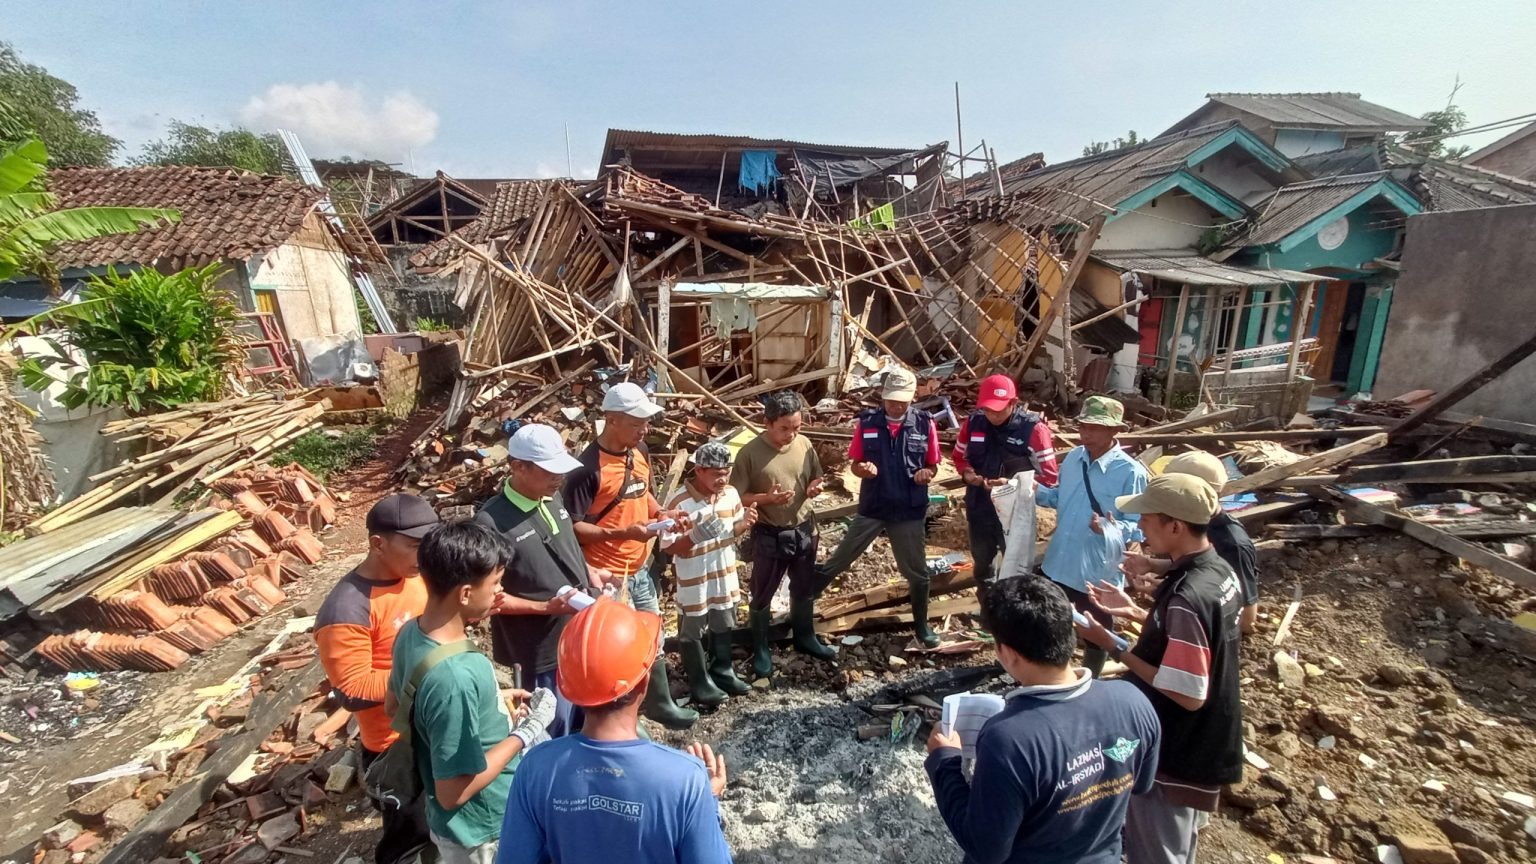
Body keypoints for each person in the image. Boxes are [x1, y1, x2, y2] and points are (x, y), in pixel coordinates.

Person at [925, 576, 1161, 863]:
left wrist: (945, 763)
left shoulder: (1009, 740)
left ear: (1008, 654)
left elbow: (986, 849)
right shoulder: (1133, 701)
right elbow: (1141, 785)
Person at [1076, 473, 1245, 864]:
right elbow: (1195, 640)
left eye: (1147, 519)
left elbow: (1185, 692)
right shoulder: (1215, 570)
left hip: (1178, 748)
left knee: (1158, 851)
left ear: (1175, 525)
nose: (1139, 527)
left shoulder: (1188, 596)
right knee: (1179, 843)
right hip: (1211, 735)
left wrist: (1113, 644)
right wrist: (1133, 610)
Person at [497, 598, 733, 864]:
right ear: (643, 683)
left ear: (566, 686)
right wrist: (708, 802)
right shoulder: (686, 780)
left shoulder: (535, 768)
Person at [385, 520, 555, 864]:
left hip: (457, 823)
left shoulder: (411, 634)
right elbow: (453, 792)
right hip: (483, 830)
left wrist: (490, 707)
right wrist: (526, 731)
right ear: (464, 593)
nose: (499, 591)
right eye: (494, 582)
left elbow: (395, 707)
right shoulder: (457, 677)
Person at [563, 381, 697, 729]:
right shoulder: (586, 470)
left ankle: (659, 703)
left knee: (652, 637)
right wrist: (625, 532)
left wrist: (662, 514)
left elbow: (641, 495)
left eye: (646, 422)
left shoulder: (639, 453)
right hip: (609, 577)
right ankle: (622, 721)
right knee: (617, 651)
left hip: (640, 568)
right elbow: (573, 527)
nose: (645, 428)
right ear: (611, 419)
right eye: (637, 422)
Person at [316, 494, 439, 864]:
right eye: (415, 545)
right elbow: (352, 690)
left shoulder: (414, 576)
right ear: (377, 543)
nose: (424, 554)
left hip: (431, 728)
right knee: (408, 838)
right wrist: (434, 674)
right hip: (395, 746)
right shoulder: (347, 608)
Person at [476, 424, 612, 738]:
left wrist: (589, 571)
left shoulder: (551, 497)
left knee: (588, 719)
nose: (558, 478)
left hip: (580, 636)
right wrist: (544, 606)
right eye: (549, 471)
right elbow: (489, 600)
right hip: (541, 653)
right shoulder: (491, 523)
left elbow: (565, 547)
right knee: (552, 728)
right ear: (517, 467)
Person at [815, 366, 944, 647]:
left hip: (908, 509)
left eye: (903, 400)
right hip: (873, 506)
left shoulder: (924, 423)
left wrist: (927, 474)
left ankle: (922, 627)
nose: (897, 406)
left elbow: (933, 464)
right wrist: (863, 469)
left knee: (916, 571)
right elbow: (855, 463)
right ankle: (802, 610)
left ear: (912, 398)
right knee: (839, 559)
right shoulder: (868, 422)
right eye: (892, 400)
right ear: (883, 397)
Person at [1037, 395, 1148, 676]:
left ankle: (1092, 680)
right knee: (1053, 622)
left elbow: (1140, 525)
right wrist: (1027, 491)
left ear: (1114, 431)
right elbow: (1059, 497)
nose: (1085, 433)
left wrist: (1110, 528)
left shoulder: (1131, 472)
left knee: (1096, 631)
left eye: (1095, 427)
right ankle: (1054, 676)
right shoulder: (1074, 458)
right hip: (1060, 560)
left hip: (1096, 569)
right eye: (1083, 426)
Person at [730, 390, 830, 675]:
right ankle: (761, 648)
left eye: (797, 427)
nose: (791, 434)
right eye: (784, 428)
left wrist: (815, 486)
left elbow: (817, 475)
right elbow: (735, 497)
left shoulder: (805, 444)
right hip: (770, 534)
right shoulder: (750, 454)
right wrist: (766, 499)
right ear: (768, 423)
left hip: (804, 530)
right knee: (762, 593)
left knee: (803, 588)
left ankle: (805, 637)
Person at [661, 442, 756, 706]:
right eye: (716, 473)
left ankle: (722, 670)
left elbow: (733, 530)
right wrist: (694, 536)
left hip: (724, 573)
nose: (722, 479)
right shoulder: (680, 502)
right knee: (692, 629)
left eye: (726, 472)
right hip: (695, 578)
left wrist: (744, 524)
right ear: (699, 470)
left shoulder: (731, 494)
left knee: (724, 622)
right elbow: (668, 546)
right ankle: (699, 681)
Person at [1124, 451, 1260, 635]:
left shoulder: (1232, 544)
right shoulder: (1194, 529)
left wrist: (1177, 605)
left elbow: (1245, 619)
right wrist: (1151, 565)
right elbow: (1195, 567)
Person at [951, 373, 1060, 602]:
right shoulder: (973, 423)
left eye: (1000, 409)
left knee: (1016, 570)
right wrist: (967, 473)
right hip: (980, 507)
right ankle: (988, 611)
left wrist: (1011, 485)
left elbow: (1049, 478)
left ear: (1013, 403)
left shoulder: (1034, 430)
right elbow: (959, 457)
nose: (993, 415)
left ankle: (1013, 616)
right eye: (988, 409)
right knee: (983, 567)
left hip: (1016, 514)